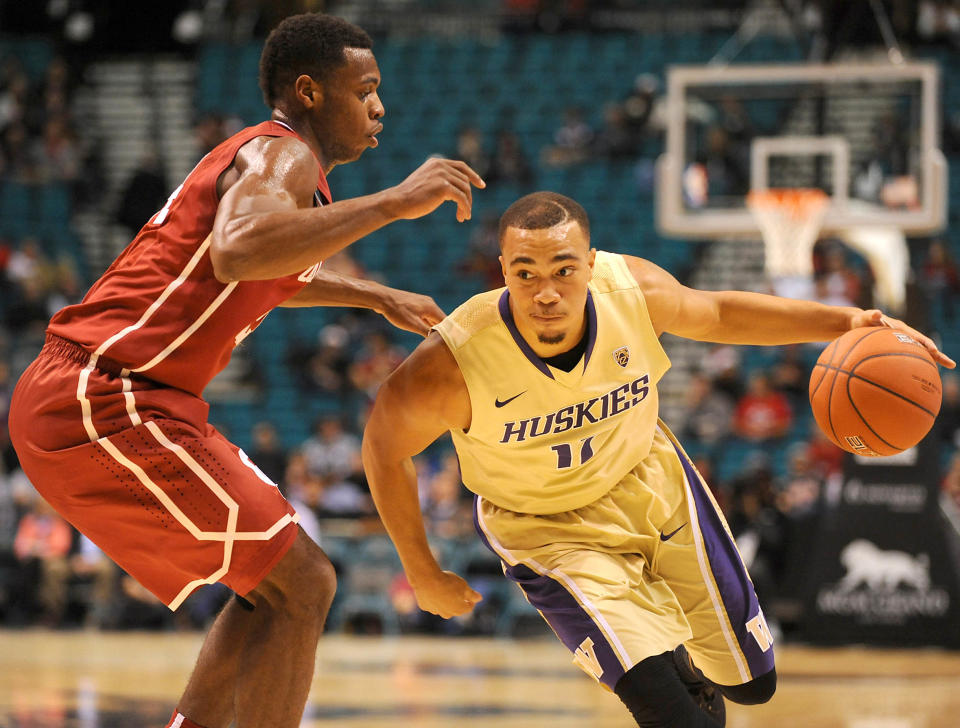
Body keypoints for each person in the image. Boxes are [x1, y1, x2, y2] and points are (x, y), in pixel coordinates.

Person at [8, 13, 484, 728]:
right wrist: (393, 203)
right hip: (108, 395)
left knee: (277, 584)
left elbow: (263, 265)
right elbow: (239, 251)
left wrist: (372, 294)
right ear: (309, 92)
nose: (379, 107)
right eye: (365, 89)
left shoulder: (280, 174)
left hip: (107, 396)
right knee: (306, 581)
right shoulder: (281, 155)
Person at [360, 191, 954, 727]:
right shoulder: (450, 363)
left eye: (564, 270)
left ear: (590, 266)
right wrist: (422, 572)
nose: (545, 292)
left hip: (653, 484)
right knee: (669, 715)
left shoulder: (632, 292)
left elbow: (719, 315)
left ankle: (666, 644)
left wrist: (845, 320)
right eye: (526, 273)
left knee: (753, 687)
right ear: (503, 273)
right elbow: (384, 451)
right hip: (545, 529)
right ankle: (646, 649)